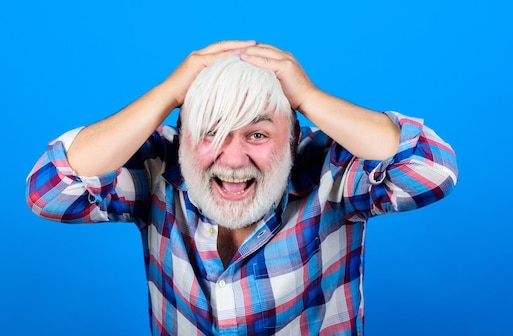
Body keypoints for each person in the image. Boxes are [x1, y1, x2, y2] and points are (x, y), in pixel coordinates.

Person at [26, 40, 458, 335]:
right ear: (182, 138)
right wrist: (168, 92)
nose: (232, 161)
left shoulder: (333, 172)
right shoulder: (159, 169)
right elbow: (50, 189)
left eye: (257, 135)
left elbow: (431, 169)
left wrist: (307, 97)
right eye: (211, 132)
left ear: (293, 138)